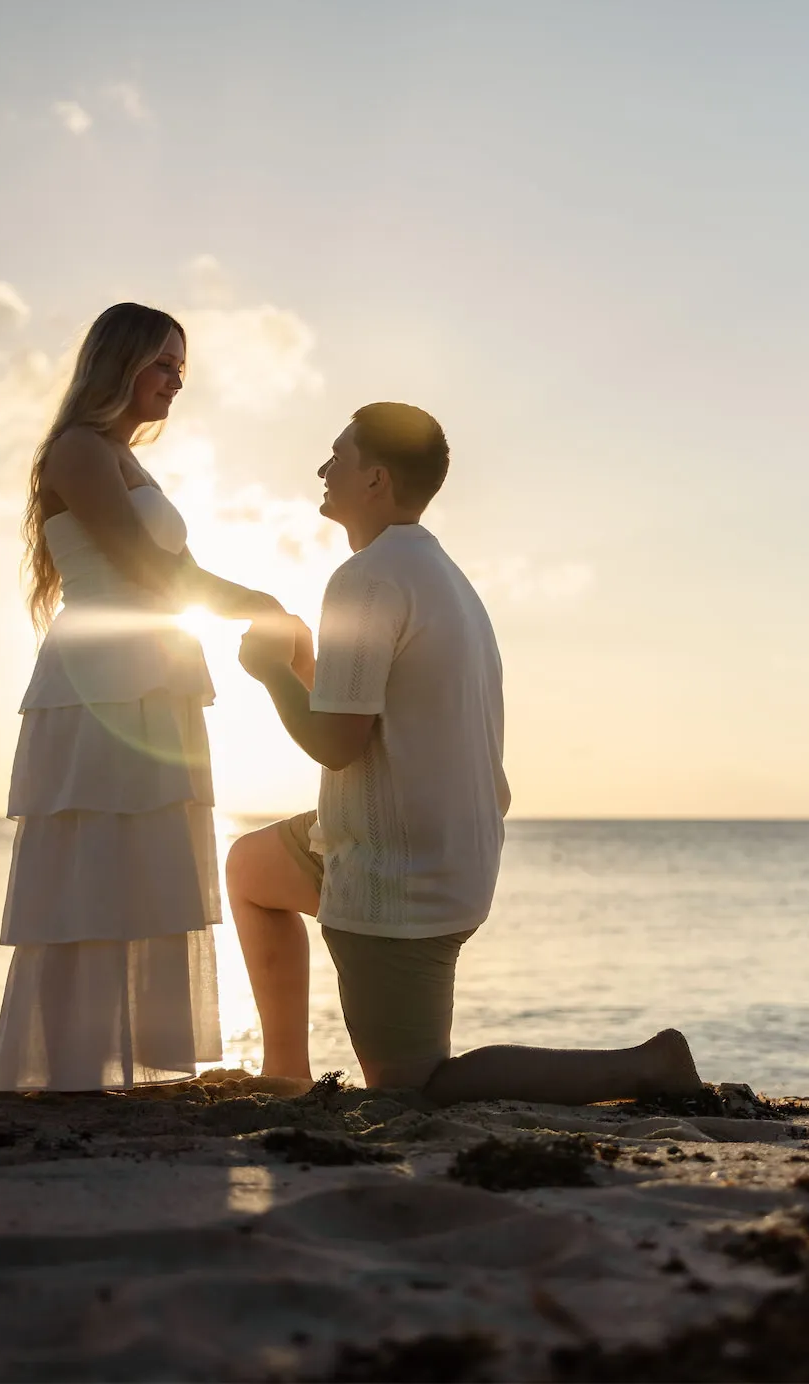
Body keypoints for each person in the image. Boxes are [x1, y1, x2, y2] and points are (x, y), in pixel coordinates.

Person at [228, 402, 704, 1106]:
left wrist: (268, 671)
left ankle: (644, 1066)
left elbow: (337, 741)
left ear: (375, 480)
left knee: (412, 1088)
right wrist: (305, 663)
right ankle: (285, 1074)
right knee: (251, 867)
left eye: (338, 457)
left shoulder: (367, 580)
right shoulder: (432, 572)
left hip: (400, 873)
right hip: (425, 844)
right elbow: (367, 717)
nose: (324, 470)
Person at [0, 302, 280, 1092]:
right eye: (162, 366)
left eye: (181, 371)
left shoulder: (123, 457)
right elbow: (153, 571)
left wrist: (254, 604)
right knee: (89, 869)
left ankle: (122, 1070)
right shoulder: (80, 452)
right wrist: (261, 601)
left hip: (154, 672)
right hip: (100, 681)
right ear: (117, 364)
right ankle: (69, 1072)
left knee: (141, 867)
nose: (174, 384)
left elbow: (168, 577)